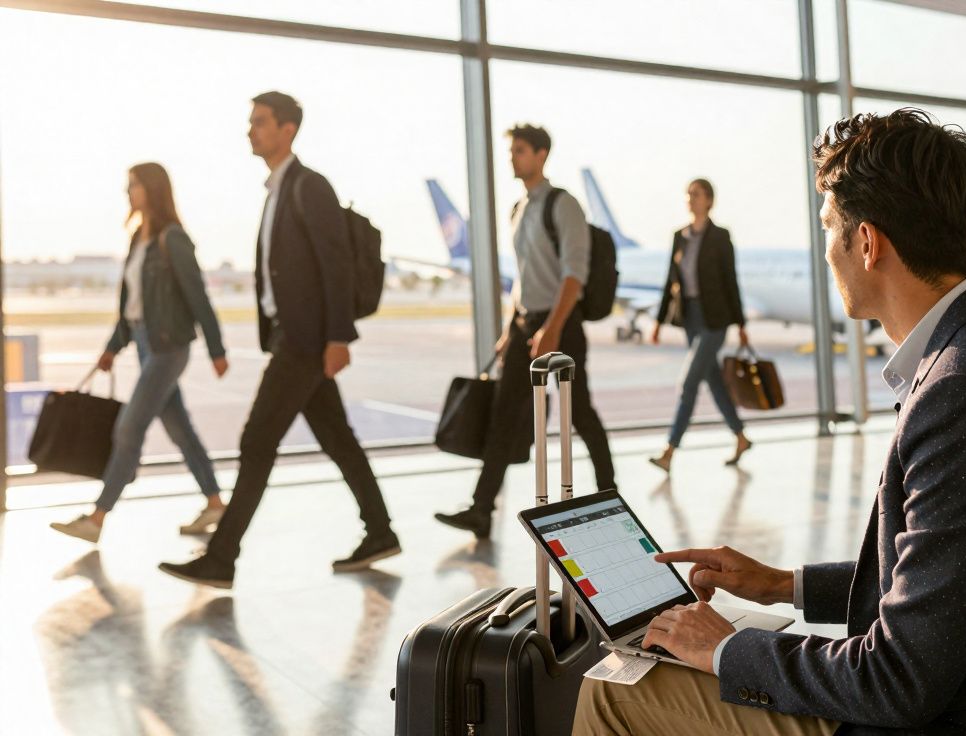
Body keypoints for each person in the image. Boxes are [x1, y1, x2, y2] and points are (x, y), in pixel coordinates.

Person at [573, 109, 966, 735]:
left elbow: (896, 682)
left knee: (614, 693)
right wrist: (781, 584)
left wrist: (721, 649)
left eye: (828, 228)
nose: (825, 250)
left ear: (867, 243)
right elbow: (948, 581)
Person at [159, 91, 399, 588]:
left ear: (287, 128)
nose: (251, 130)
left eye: (260, 122)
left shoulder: (308, 186)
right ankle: (380, 531)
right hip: (294, 337)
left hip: (307, 340)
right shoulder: (278, 189)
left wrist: (338, 337)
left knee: (257, 440)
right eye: (251, 122)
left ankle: (222, 556)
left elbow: (333, 265)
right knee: (338, 439)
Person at [434, 124, 616, 540]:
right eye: (511, 150)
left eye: (519, 150)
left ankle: (609, 494)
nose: (512, 157)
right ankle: (481, 509)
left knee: (579, 412)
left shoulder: (562, 205)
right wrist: (507, 330)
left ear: (541, 154)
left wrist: (552, 328)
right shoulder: (519, 209)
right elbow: (522, 277)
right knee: (503, 413)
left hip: (560, 322)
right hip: (524, 323)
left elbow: (575, 275)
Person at [50, 163, 229, 544]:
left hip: (168, 348)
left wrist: (217, 349)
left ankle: (96, 519)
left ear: (152, 189)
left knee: (129, 429)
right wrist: (112, 348)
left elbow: (197, 296)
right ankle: (215, 502)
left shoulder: (173, 238)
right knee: (181, 430)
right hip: (145, 346)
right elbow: (131, 305)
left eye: (133, 185)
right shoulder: (138, 240)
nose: (127, 191)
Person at [648, 178, 751, 471]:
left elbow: (730, 280)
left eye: (696, 194)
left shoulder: (720, 236)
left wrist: (741, 323)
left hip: (715, 320)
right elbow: (671, 280)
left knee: (689, 383)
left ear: (709, 200)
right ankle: (741, 436)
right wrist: (658, 321)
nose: (690, 199)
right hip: (690, 318)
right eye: (688, 194)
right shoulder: (679, 236)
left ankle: (669, 450)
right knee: (714, 382)